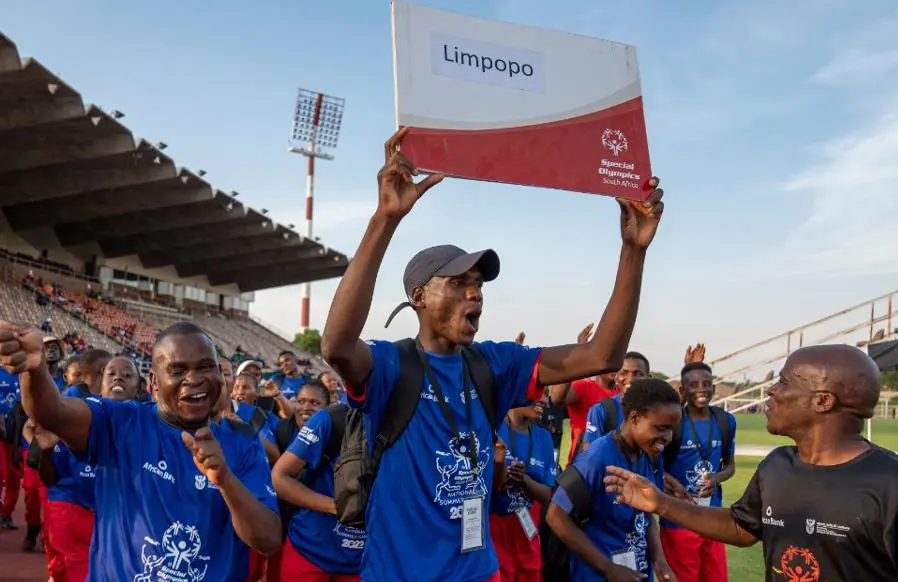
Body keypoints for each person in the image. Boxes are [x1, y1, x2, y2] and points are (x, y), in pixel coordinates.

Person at [320, 128, 665, 581]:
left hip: (480, 572)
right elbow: (337, 345)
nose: (475, 294)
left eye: (479, 285)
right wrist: (385, 219)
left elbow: (603, 354)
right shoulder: (391, 365)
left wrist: (633, 251)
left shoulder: (494, 365)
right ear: (420, 297)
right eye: (459, 283)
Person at [0, 320, 282, 580]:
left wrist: (225, 480)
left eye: (206, 367)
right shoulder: (119, 422)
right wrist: (34, 369)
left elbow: (268, 540)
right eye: (178, 370)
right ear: (154, 382)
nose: (194, 379)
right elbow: (52, 412)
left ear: (220, 375)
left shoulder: (243, 444)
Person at [604, 345, 898, 581]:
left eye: (783, 382)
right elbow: (741, 527)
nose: (771, 391)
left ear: (823, 401)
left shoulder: (889, 484)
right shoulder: (777, 465)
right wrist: (661, 503)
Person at [546, 379, 679, 582]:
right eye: (661, 428)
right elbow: (555, 516)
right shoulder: (597, 457)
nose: (668, 437)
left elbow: (647, 514)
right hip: (598, 575)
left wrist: (660, 560)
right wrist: (608, 568)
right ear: (634, 417)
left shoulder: (650, 455)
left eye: (672, 429)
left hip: (637, 572)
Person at [27, 355, 141, 582]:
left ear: (140, 387)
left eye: (128, 374)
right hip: (80, 518)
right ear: (102, 381)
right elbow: (49, 478)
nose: (119, 377)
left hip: (128, 528)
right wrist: (47, 451)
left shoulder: (149, 424)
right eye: (111, 373)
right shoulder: (79, 420)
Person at [659, 362, 735, 582]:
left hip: (712, 518)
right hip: (678, 519)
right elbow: (655, 466)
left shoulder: (725, 420)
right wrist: (669, 480)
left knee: (716, 577)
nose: (701, 389)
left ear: (713, 387)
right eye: (693, 385)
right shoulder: (673, 423)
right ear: (682, 390)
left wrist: (717, 477)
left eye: (706, 384)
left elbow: (730, 466)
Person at [272, 402, 364, 581]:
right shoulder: (332, 419)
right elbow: (279, 477)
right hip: (310, 552)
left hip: (366, 562)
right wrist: (336, 507)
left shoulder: (410, 424)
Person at [490, 399, 556, 581]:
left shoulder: (543, 437)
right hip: (496, 532)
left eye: (544, 392)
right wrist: (501, 467)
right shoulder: (493, 428)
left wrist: (524, 480)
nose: (543, 399)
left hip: (528, 531)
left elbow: (547, 496)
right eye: (534, 393)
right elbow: (487, 488)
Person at [581, 353, 651, 449]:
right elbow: (590, 454)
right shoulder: (600, 410)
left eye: (638, 374)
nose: (630, 379)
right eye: (623, 373)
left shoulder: (657, 411)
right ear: (616, 378)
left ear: (648, 378)